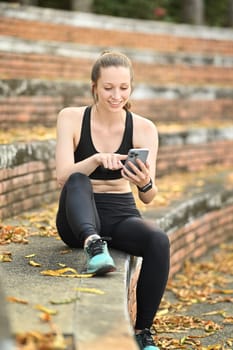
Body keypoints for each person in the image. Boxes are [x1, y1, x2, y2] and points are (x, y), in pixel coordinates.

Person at [55, 51, 170, 350]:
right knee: (78, 178)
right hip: (77, 216)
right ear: (94, 86)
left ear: (131, 87)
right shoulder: (70, 117)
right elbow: (62, 177)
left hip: (121, 214)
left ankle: (143, 332)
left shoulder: (144, 128)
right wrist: (93, 160)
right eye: (108, 88)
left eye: (123, 87)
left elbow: (149, 197)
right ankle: (94, 244)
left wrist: (144, 181)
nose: (116, 95)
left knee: (158, 240)